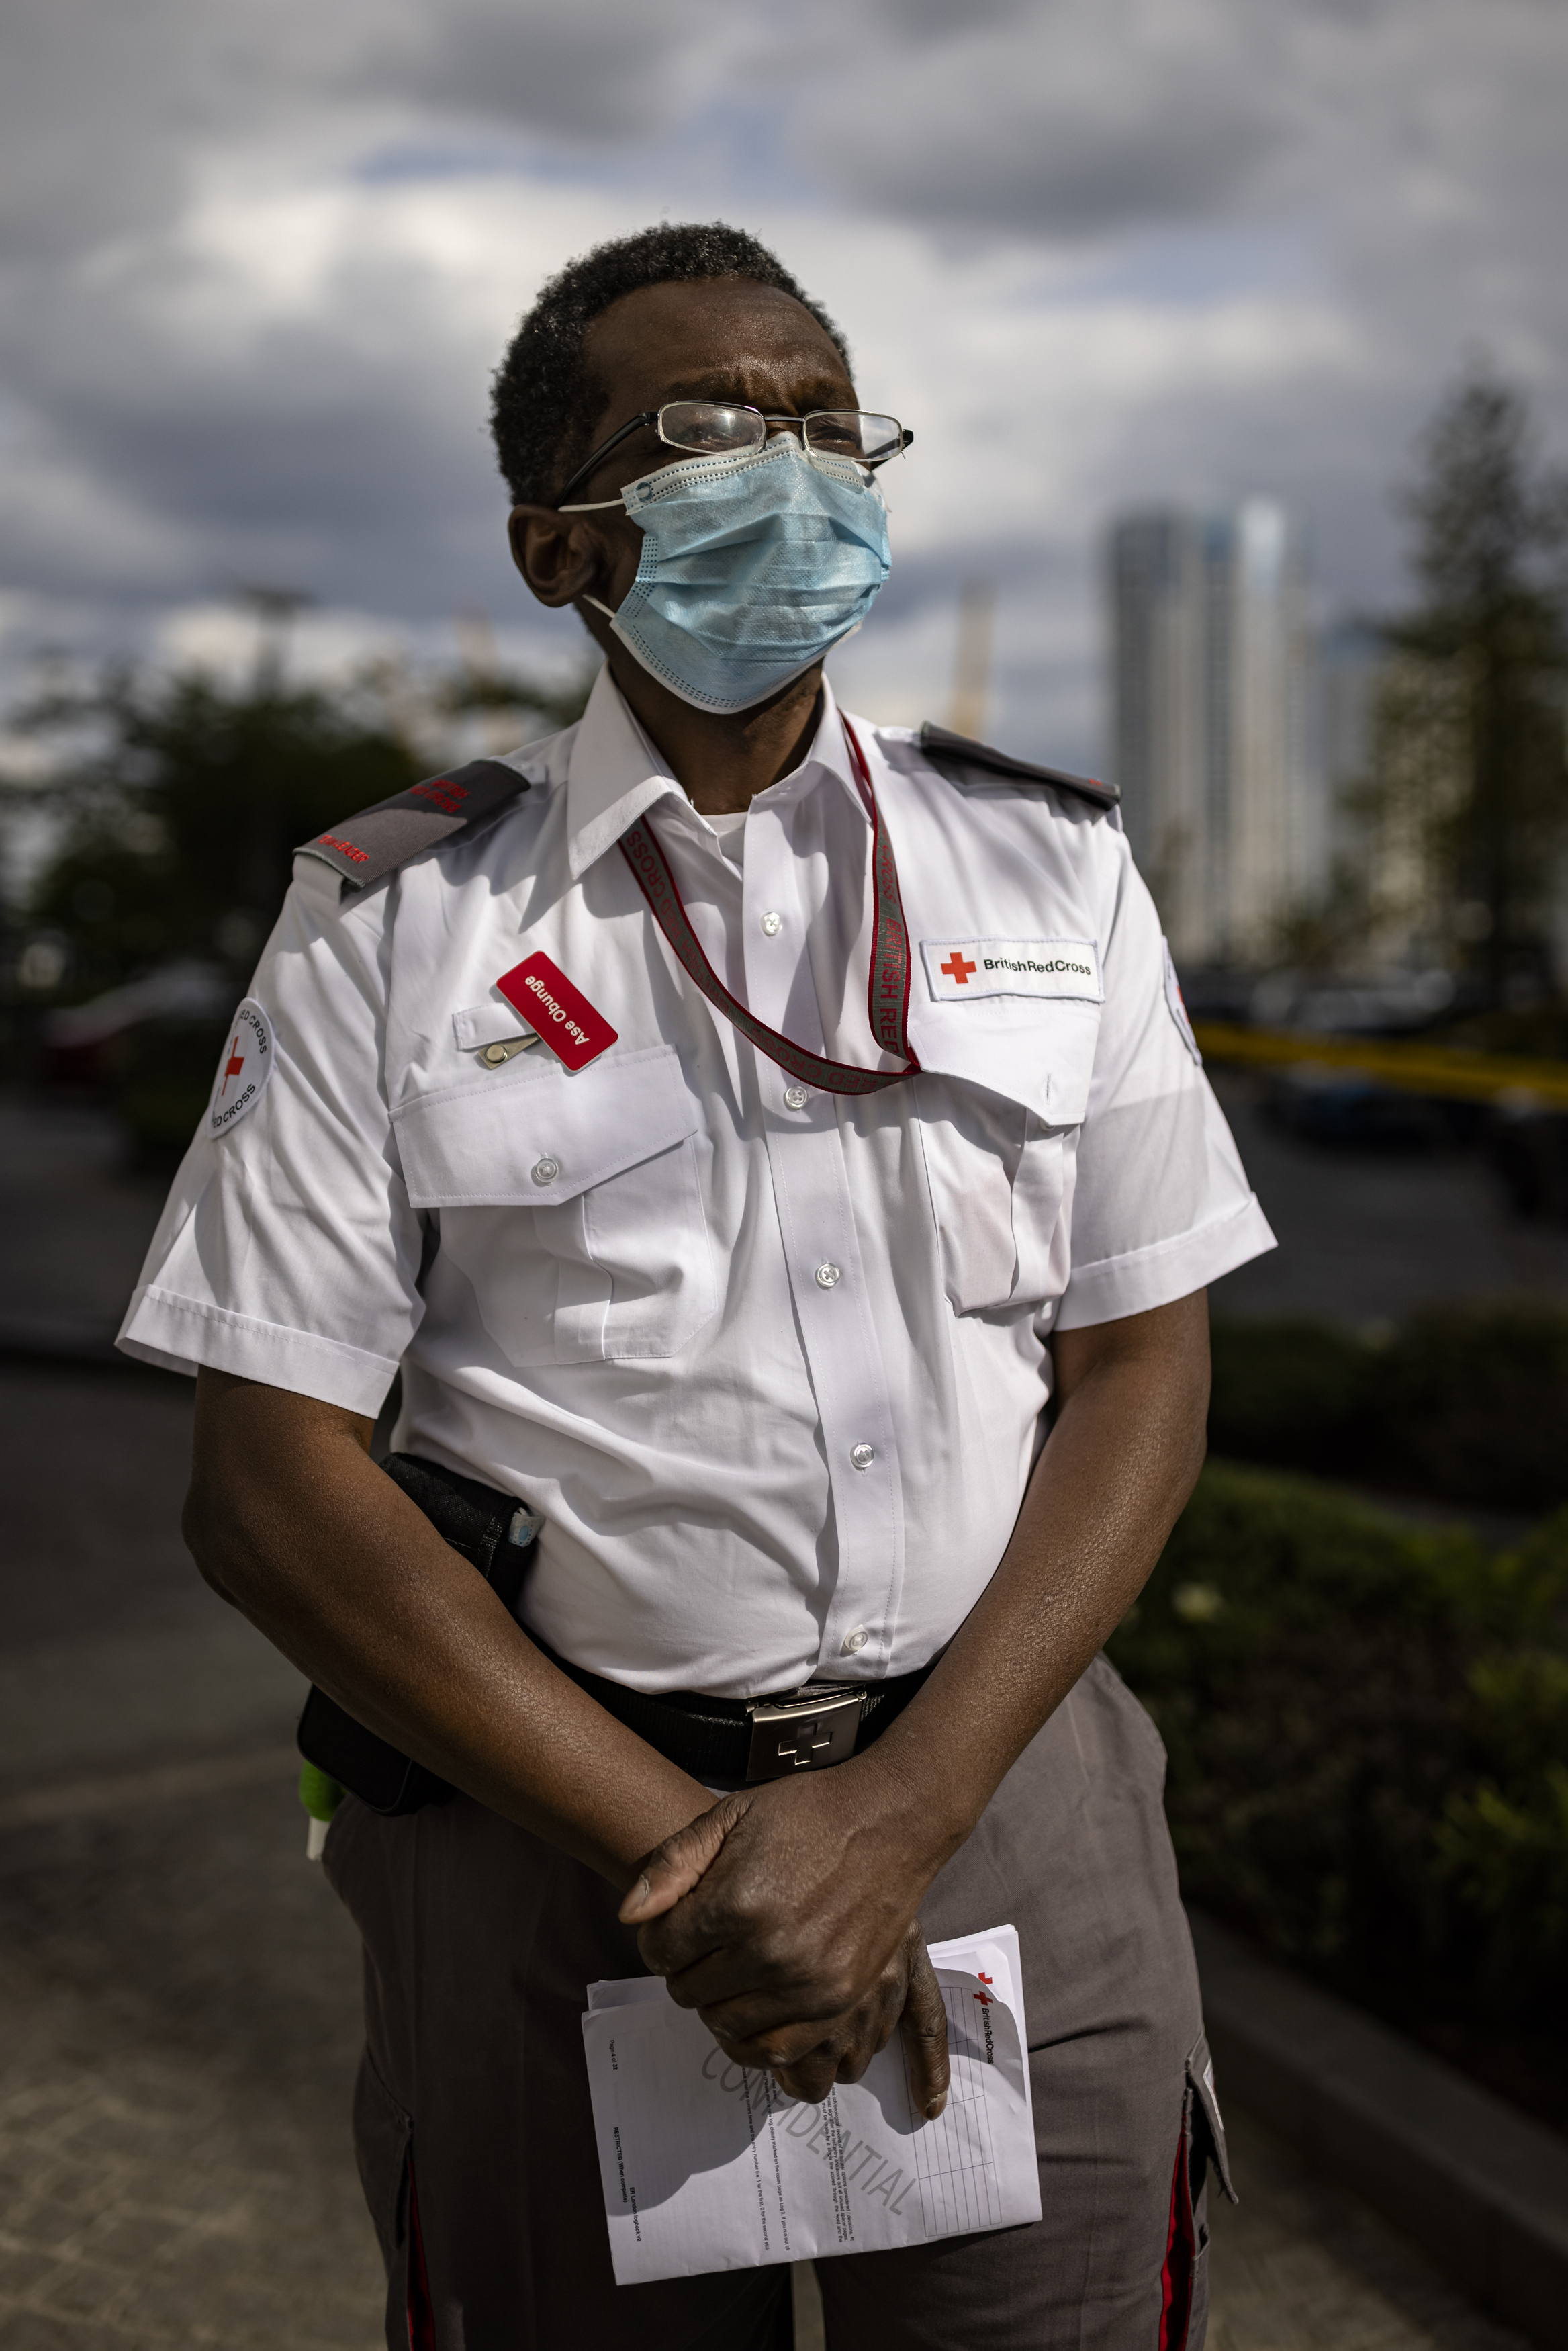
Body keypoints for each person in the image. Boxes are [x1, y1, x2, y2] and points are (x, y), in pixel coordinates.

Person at [120, 221, 1271, 2350]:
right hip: (553, 1859)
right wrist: (713, 1857)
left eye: (831, 420)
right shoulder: (390, 924)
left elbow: (1143, 1363)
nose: (793, 462)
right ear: (558, 548)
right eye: (709, 427)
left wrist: (898, 1816)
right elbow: (265, 1477)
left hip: (1004, 1805)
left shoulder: (1051, 865)